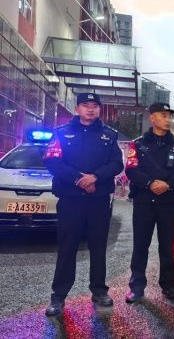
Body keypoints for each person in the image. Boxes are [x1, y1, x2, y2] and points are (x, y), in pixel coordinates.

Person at [43, 93, 124, 317]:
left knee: (98, 246)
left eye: (95, 106)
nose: (90, 109)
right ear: (77, 108)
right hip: (71, 199)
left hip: (98, 200)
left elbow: (117, 163)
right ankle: (59, 296)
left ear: (99, 109)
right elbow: (51, 160)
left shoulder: (109, 135)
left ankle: (99, 291)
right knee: (67, 247)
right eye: (85, 105)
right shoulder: (60, 133)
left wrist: (95, 177)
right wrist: (80, 179)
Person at [124, 102, 174, 304]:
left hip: (168, 202)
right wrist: (150, 183)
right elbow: (131, 169)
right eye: (163, 115)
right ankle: (136, 286)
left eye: (169, 116)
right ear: (152, 118)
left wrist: (168, 185)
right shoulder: (138, 144)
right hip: (144, 201)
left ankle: (168, 284)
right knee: (140, 244)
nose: (168, 119)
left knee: (167, 245)